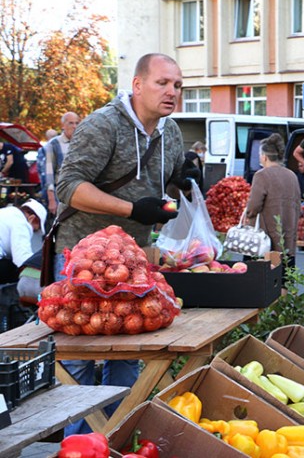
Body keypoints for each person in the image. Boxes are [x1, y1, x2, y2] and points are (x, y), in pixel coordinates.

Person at [55, 53, 192, 435]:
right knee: (79, 362)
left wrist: (185, 177)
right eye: (162, 83)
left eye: (178, 85)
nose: (172, 92)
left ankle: (118, 441)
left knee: (128, 356)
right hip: (82, 262)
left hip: (132, 265)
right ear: (137, 85)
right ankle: (77, 448)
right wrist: (134, 208)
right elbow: (67, 188)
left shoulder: (171, 132)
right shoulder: (103, 125)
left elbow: (164, 188)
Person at [245, 133, 301, 267]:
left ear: (264, 157)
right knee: (284, 279)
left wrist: (248, 215)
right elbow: (297, 205)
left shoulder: (261, 175)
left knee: (261, 278)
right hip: (287, 239)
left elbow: (254, 206)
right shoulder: (292, 175)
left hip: (265, 240)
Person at [44, 112, 81, 217]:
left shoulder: (82, 142)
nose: (74, 126)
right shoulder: (54, 144)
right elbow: (49, 172)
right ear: (63, 126)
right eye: (71, 123)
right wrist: (51, 199)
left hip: (79, 192)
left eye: (77, 123)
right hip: (60, 192)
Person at [0, 199, 46, 283]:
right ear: (32, 218)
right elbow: (21, 258)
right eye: (34, 229)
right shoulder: (21, 223)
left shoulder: (7, 211)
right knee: (16, 271)